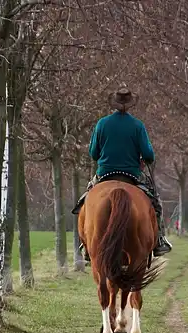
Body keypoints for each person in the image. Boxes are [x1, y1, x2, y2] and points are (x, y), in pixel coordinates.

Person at [72, 87, 173, 261]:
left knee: (85, 201)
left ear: (115, 103)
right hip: (132, 175)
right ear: (129, 104)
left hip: (104, 174)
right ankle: (159, 241)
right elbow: (149, 155)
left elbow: (93, 153)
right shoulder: (137, 126)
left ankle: (86, 243)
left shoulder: (102, 124)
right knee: (155, 203)